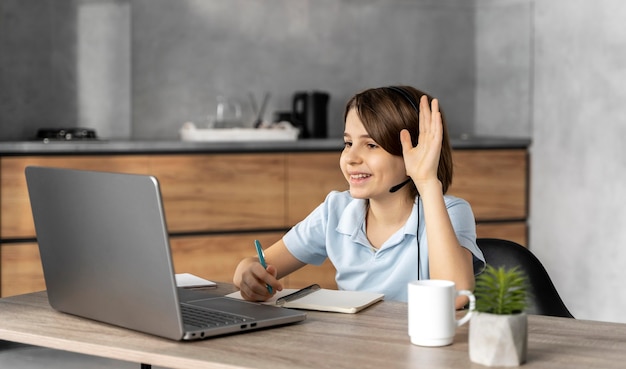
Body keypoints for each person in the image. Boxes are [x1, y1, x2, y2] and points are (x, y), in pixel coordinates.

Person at [233, 86, 485, 308]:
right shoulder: (336, 209)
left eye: (371, 145)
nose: (351, 158)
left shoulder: (450, 211)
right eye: (347, 143)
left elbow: (456, 296)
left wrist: (427, 181)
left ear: (417, 151)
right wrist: (247, 272)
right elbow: (259, 264)